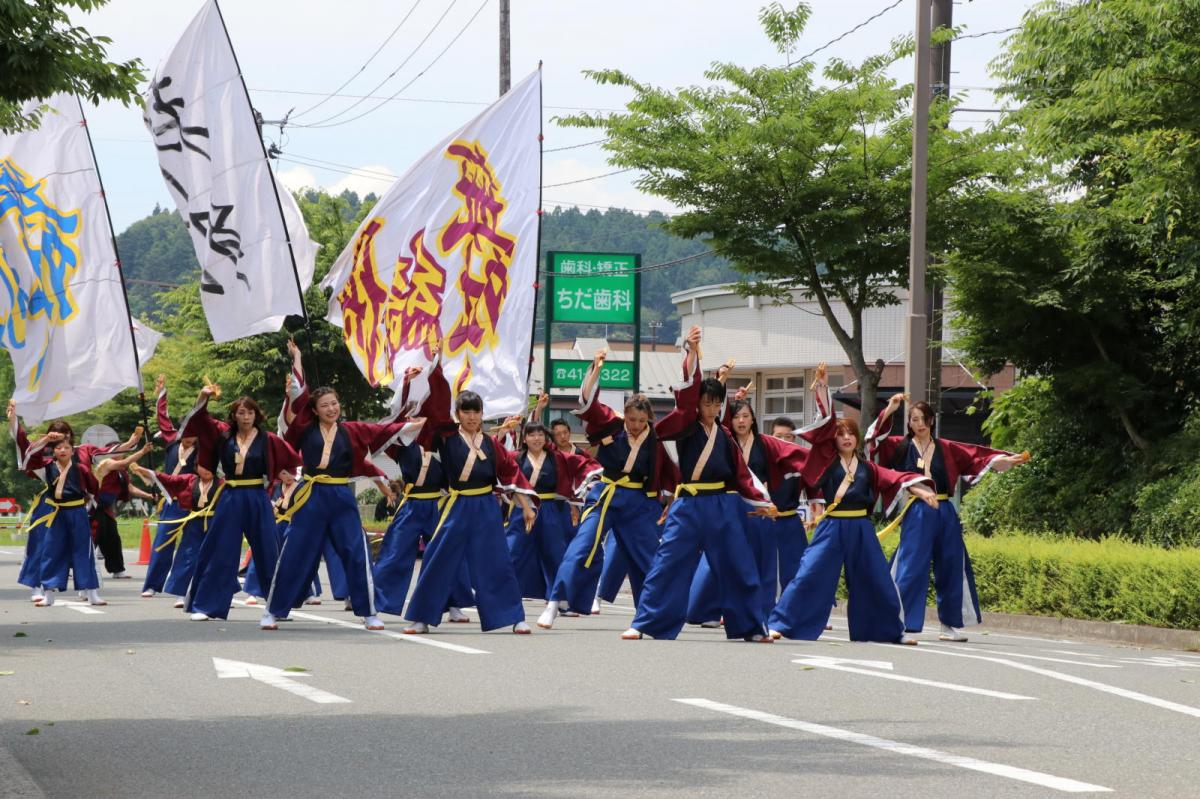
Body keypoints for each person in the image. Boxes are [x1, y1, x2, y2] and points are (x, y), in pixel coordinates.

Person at [622, 327, 781, 642]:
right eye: (704, 404)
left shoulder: (724, 436)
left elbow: (742, 475)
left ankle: (750, 626)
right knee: (668, 563)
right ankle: (646, 623)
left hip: (723, 507)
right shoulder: (686, 425)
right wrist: (691, 353)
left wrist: (763, 502)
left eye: (715, 404)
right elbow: (687, 394)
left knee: (739, 566)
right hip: (689, 506)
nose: (709, 409)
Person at [261, 341, 410, 631]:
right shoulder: (303, 430)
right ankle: (273, 610)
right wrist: (298, 358)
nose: (332, 408)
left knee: (356, 551)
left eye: (334, 403)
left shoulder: (351, 431)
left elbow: (384, 430)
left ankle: (368, 611)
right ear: (314, 411)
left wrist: (412, 424)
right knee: (295, 552)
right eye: (325, 405)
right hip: (312, 495)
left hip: (341, 497)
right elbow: (297, 399)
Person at [867, 393, 1029, 641]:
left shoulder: (947, 447)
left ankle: (949, 624)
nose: (919, 424)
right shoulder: (899, 446)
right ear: (908, 423)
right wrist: (890, 409)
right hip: (918, 509)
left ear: (931, 421)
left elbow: (977, 457)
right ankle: (899, 622)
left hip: (944, 510)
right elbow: (874, 441)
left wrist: (1005, 460)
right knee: (911, 566)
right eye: (913, 419)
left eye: (923, 419)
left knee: (952, 564)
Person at [687, 366, 839, 625]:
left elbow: (803, 456)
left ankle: (761, 614)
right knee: (717, 562)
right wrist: (721, 383)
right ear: (729, 420)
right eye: (737, 417)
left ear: (753, 419)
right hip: (728, 509)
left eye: (746, 416)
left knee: (765, 566)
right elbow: (706, 413)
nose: (741, 421)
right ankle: (709, 610)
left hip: (758, 511)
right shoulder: (721, 438)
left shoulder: (767, 444)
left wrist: (823, 393)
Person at [768, 416, 939, 644]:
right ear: (833, 438)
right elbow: (821, 433)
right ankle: (780, 624)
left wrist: (921, 490)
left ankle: (888, 632)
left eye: (850, 433)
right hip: (831, 528)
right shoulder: (826, 464)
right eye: (840, 434)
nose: (846, 438)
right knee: (808, 575)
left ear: (857, 438)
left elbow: (894, 478)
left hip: (861, 529)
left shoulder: (868, 468)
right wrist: (821, 389)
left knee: (877, 579)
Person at [538, 349, 677, 630]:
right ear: (624, 415)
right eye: (631, 419)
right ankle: (555, 602)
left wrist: (669, 504)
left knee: (647, 558)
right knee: (581, 546)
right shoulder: (613, 426)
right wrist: (596, 369)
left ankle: (647, 616)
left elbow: (670, 477)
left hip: (639, 502)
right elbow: (589, 403)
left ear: (648, 418)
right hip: (606, 494)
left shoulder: (657, 440)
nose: (635, 425)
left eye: (640, 421)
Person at [402, 352, 538, 635]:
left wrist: (525, 505)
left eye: (476, 412)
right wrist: (435, 368)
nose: (472, 417)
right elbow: (437, 405)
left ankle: (514, 616)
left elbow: (510, 474)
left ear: (482, 414)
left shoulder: (491, 443)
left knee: (497, 561)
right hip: (456, 504)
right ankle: (422, 617)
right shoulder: (446, 436)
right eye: (466, 412)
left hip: (486, 507)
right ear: (458, 414)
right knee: (438, 558)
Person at [179, 382, 301, 621]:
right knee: (221, 550)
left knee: (268, 549)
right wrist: (203, 396)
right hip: (231, 496)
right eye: (241, 413)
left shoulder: (268, 439)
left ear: (257, 414)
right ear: (234, 416)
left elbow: (292, 452)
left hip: (257, 497)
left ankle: (277, 606)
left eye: (250, 412)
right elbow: (200, 420)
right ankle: (207, 606)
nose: (246, 417)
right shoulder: (224, 435)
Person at [23, 434, 149, 607]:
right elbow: (30, 457)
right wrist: (45, 440)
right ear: (53, 451)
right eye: (58, 448)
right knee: (52, 552)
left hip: (77, 511)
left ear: (72, 451)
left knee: (84, 552)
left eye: (67, 448)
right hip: (57, 513)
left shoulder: (81, 469)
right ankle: (49, 594)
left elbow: (93, 488)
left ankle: (91, 593)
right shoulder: (47, 467)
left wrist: (90, 507)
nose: (63, 450)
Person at [499, 413, 600, 617]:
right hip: (523, 509)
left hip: (551, 509)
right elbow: (498, 460)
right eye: (531, 435)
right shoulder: (515, 457)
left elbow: (581, 462)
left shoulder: (557, 457)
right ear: (524, 438)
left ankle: (560, 599)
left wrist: (600, 472)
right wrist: (501, 432)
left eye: (540, 435)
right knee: (512, 553)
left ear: (546, 438)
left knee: (555, 554)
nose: (536, 438)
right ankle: (503, 596)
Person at [132, 460, 222, 609]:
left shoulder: (222, 484)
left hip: (215, 523)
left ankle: (222, 594)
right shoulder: (189, 480)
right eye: (203, 466)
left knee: (217, 559)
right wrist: (147, 472)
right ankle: (181, 593)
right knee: (187, 556)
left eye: (209, 467)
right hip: (194, 523)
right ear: (197, 467)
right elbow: (168, 479)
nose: (206, 470)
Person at [141, 376, 199, 598]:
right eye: (185, 432)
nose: (187, 437)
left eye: (193, 434)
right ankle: (152, 584)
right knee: (162, 542)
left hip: (193, 502)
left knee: (190, 544)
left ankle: (180, 586)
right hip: (171, 501)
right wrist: (162, 392)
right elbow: (162, 419)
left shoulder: (204, 449)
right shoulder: (173, 440)